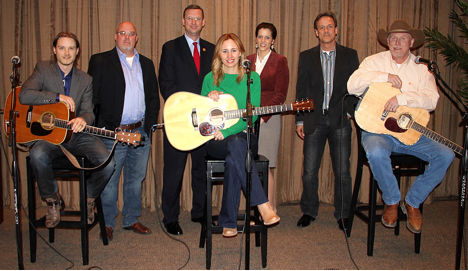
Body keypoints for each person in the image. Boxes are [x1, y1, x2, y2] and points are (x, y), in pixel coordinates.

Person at [347, 19, 455, 233]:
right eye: (393, 38)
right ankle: (392, 200)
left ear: (412, 42)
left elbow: (432, 100)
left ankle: (413, 202)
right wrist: (384, 77)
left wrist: (403, 99)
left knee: (446, 155)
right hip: (379, 132)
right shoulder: (374, 62)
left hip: (411, 133)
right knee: (376, 152)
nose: (397, 43)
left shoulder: (422, 69)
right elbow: (352, 85)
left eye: (403, 38)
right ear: (387, 42)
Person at [19, 32, 115, 228]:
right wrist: (56, 97)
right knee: (37, 154)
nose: (66, 52)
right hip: (49, 136)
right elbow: (24, 95)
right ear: (54, 50)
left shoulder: (85, 79)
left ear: (77, 52)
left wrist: (82, 119)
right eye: (62, 48)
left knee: (108, 163)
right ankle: (52, 199)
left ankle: (88, 199)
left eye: (71, 48)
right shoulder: (43, 69)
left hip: (77, 136)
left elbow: (89, 112)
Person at [201, 33, 280, 238]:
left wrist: (226, 131)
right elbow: (201, 117)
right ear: (219, 54)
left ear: (241, 53)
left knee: (235, 152)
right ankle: (263, 204)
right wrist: (209, 101)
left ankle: (228, 220)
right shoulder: (210, 79)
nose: (229, 55)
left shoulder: (252, 78)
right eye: (225, 50)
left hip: (244, 136)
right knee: (235, 151)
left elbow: (250, 117)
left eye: (234, 50)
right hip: (215, 140)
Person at [88, 21, 160, 240]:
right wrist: (103, 129)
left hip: (140, 132)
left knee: (135, 179)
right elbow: (93, 98)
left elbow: (153, 99)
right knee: (109, 179)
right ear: (115, 36)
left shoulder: (146, 64)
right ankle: (107, 223)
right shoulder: (100, 61)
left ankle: (131, 219)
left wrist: (148, 127)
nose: (127, 37)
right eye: (122, 33)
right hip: (113, 133)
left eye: (131, 34)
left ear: (136, 38)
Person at [295, 12, 359, 230]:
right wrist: (299, 120)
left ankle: (343, 213)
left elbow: (356, 88)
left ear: (336, 29)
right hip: (314, 121)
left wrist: (350, 112)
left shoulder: (350, 56)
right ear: (316, 32)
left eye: (329, 26)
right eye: (321, 27)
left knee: (342, 171)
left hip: (340, 120)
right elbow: (301, 89)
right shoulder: (306, 56)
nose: (326, 31)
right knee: (310, 170)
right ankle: (309, 211)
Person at [159, 4, 215, 235]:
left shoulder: (212, 49)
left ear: (203, 23)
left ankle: (199, 213)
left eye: (198, 19)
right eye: (189, 18)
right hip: (179, 120)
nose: (193, 22)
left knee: (201, 169)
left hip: (204, 121)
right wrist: (189, 106)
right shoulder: (170, 47)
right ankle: (170, 217)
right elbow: (166, 83)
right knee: (174, 171)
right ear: (183, 21)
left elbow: (215, 81)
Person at [246, 22, 289, 212]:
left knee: (265, 163)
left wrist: (263, 116)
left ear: (273, 40)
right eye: (260, 36)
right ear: (256, 39)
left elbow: (280, 94)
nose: (263, 40)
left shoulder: (280, 60)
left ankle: (269, 208)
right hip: (247, 119)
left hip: (269, 119)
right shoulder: (246, 60)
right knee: (250, 162)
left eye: (267, 37)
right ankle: (256, 205)